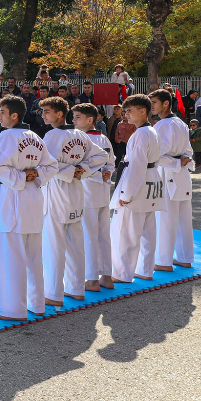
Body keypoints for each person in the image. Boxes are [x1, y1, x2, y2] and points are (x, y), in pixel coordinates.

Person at [0, 95, 58, 321]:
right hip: (34, 198)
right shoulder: (35, 136)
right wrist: (34, 175)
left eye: (2, 113)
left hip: (15, 198)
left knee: (12, 257)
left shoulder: (8, 136)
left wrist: (21, 177)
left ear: (14, 115)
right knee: (34, 257)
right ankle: (37, 304)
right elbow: (51, 166)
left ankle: (13, 310)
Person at [39, 97, 108, 306]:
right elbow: (101, 156)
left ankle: (53, 293)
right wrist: (81, 170)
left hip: (58, 192)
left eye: (47, 111)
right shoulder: (80, 135)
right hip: (77, 190)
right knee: (75, 244)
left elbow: (47, 164)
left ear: (59, 114)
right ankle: (76, 289)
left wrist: (72, 170)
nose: (43, 115)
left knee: (54, 245)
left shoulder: (52, 135)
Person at [110, 94, 164, 284]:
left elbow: (137, 166)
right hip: (151, 182)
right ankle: (145, 269)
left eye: (130, 111)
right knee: (148, 231)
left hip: (138, 183)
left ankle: (122, 273)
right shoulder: (152, 131)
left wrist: (126, 193)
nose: (126, 115)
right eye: (125, 111)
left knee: (126, 231)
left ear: (143, 111)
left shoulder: (141, 134)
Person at [72, 104, 116, 293]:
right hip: (102, 190)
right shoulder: (104, 138)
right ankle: (106, 275)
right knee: (103, 234)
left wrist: (101, 174)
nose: (73, 121)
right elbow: (111, 163)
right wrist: (105, 174)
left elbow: (81, 167)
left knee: (89, 235)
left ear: (90, 120)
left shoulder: (82, 139)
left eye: (77, 117)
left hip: (88, 190)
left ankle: (91, 279)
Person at [149, 89, 194, 271]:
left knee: (165, 219)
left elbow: (156, 155)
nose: (151, 106)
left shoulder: (162, 125)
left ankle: (163, 261)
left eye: (154, 102)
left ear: (166, 103)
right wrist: (182, 161)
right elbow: (188, 152)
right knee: (183, 219)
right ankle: (184, 257)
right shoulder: (181, 123)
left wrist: (177, 162)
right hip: (182, 175)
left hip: (168, 175)